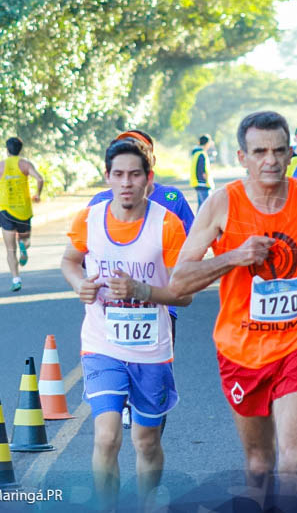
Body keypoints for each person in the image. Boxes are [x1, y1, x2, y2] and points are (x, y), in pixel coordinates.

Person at [168, 111, 297, 508]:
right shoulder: (221, 204)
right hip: (241, 348)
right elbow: (180, 280)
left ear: (290, 154)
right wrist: (233, 256)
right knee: (258, 463)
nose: (270, 160)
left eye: (279, 151)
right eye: (260, 151)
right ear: (241, 156)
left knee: (294, 458)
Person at [60, 139, 192, 510]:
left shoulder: (167, 225)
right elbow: (70, 261)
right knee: (106, 436)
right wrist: (79, 285)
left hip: (152, 349)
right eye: (118, 174)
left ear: (149, 179)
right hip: (102, 344)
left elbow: (184, 295)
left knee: (146, 440)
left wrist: (142, 289)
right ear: (107, 177)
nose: (126, 183)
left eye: (135, 174)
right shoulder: (89, 219)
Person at [89, 129, 194, 429]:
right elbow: (85, 255)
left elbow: (191, 248)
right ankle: (119, 402)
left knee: (152, 382)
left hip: (160, 307)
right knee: (113, 370)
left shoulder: (172, 198)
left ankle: (149, 421)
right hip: (110, 308)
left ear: (150, 162)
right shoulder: (98, 202)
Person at [0, 137, 44, 292]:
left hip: (6, 212)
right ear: (20, 149)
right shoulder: (25, 165)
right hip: (24, 211)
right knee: (26, 240)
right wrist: (37, 194)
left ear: (7, 149)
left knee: (10, 250)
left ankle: (16, 279)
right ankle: (24, 245)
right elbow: (40, 178)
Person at [189, 134, 215, 208]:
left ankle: (198, 220)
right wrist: (205, 178)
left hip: (198, 183)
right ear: (207, 143)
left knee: (201, 207)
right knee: (207, 207)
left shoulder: (196, 153)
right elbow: (201, 169)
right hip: (203, 184)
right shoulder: (201, 154)